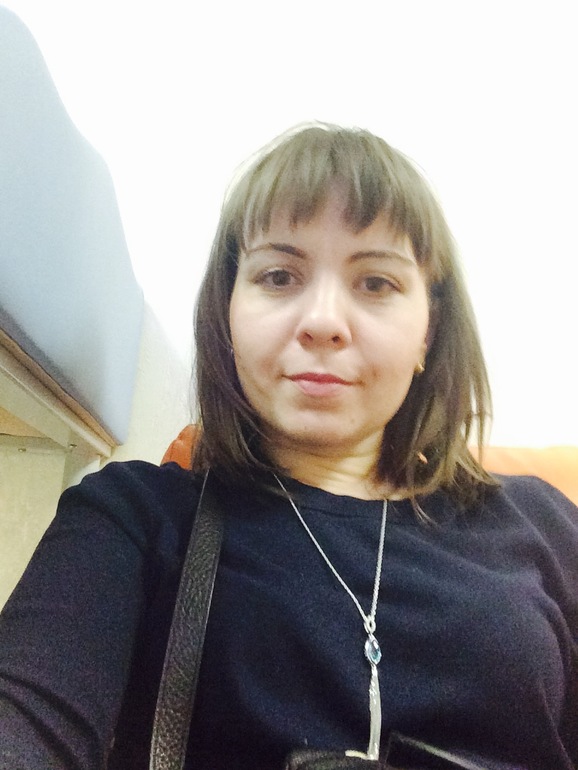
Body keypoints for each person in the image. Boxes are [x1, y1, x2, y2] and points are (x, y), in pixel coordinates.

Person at [1, 123, 577, 770]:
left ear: (427, 331)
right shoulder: (134, 518)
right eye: (278, 276)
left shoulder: (548, 526)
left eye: (376, 283)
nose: (323, 321)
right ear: (227, 313)